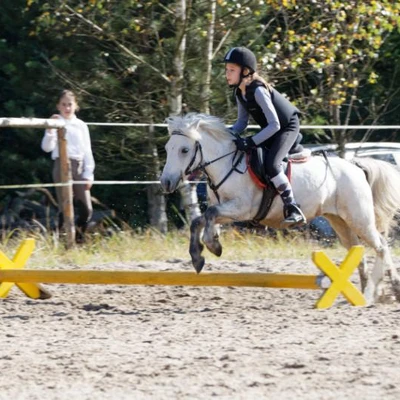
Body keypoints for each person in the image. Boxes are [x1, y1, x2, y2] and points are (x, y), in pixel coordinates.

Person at [223, 46, 307, 227]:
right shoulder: (239, 92)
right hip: (272, 128)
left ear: (245, 72)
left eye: (231, 70)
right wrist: (224, 135)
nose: (227, 74)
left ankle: (293, 207)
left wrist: (251, 141)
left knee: (272, 164)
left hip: (287, 127)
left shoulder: (258, 91)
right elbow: (241, 124)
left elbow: (276, 124)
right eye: (226, 70)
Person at [41, 89, 95, 241]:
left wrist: (88, 174)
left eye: (70, 104)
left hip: (78, 165)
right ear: (58, 106)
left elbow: (87, 150)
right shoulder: (55, 123)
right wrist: (50, 130)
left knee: (86, 208)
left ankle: (79, 238)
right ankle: (58, 239)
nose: (67, 108)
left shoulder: (81, 125)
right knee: (64, 205)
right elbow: (47, 148)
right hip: (61, 165)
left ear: (75, 105)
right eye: (63, 104)